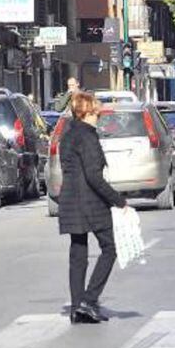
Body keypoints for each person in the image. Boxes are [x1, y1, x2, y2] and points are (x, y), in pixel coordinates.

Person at [57, 92, 129, 324]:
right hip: (89, 201)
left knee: (78, 253)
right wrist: (118, 200)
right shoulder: (87, 137)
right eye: (96, 110)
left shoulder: (67, 135)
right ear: (87, 112)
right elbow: (94, 176)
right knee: (110, 248)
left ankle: (77, 308)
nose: (99, 114)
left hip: (70, 199)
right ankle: (89, 300)